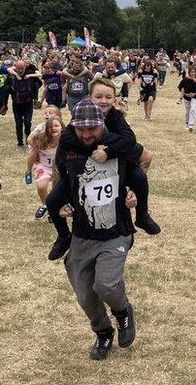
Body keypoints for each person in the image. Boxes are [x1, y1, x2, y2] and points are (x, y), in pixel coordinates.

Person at [49, 99, 144, 360]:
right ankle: (103, 332)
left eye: (92, 129)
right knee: (84, 294)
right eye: (82, 130)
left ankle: (123, 311)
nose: (87, 134)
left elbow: (144, 161)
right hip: (82, 233)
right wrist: (60, 204)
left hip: (116, 231)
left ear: (101, 124)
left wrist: (134, 192)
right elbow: (60, 174)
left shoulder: (117, 144)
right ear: (74, 127)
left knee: (106, 286)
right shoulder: (69, 147)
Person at [28, 112, 64, 221]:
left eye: (56, 126)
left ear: (62, 127)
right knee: (41, 187)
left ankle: (54, 210)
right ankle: (45, 205)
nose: (53, 128)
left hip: (59, 168)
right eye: (50, 126)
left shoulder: (66, 141)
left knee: (56, 191)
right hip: (44, 166)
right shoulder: (42, 141)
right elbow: (32, 155)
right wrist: (28, 171)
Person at [6, 59, 41, 149]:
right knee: (18, 123)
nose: (20, 71)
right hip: (16, 104)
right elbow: (6, 89)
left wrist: (30, 76)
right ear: (15, 68)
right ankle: (20, 142)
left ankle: (28, 138)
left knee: (27, 122)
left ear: (25, 67)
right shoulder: (12, 76)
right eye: (18, 69)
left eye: (22, 69)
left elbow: (39, 78)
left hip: (28, 103)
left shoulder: (30, 73)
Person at [178, 65, 196, 132]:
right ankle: (187, 122)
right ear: (189, 72)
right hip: (186, 97)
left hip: (195, 97)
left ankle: (191, 124)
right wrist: (186, 94)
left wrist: (194, 94)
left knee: (193, 109)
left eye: (194, 72)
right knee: (188, 111)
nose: (193, 73)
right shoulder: (185, 79)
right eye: (191, 72)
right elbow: (181, 88)